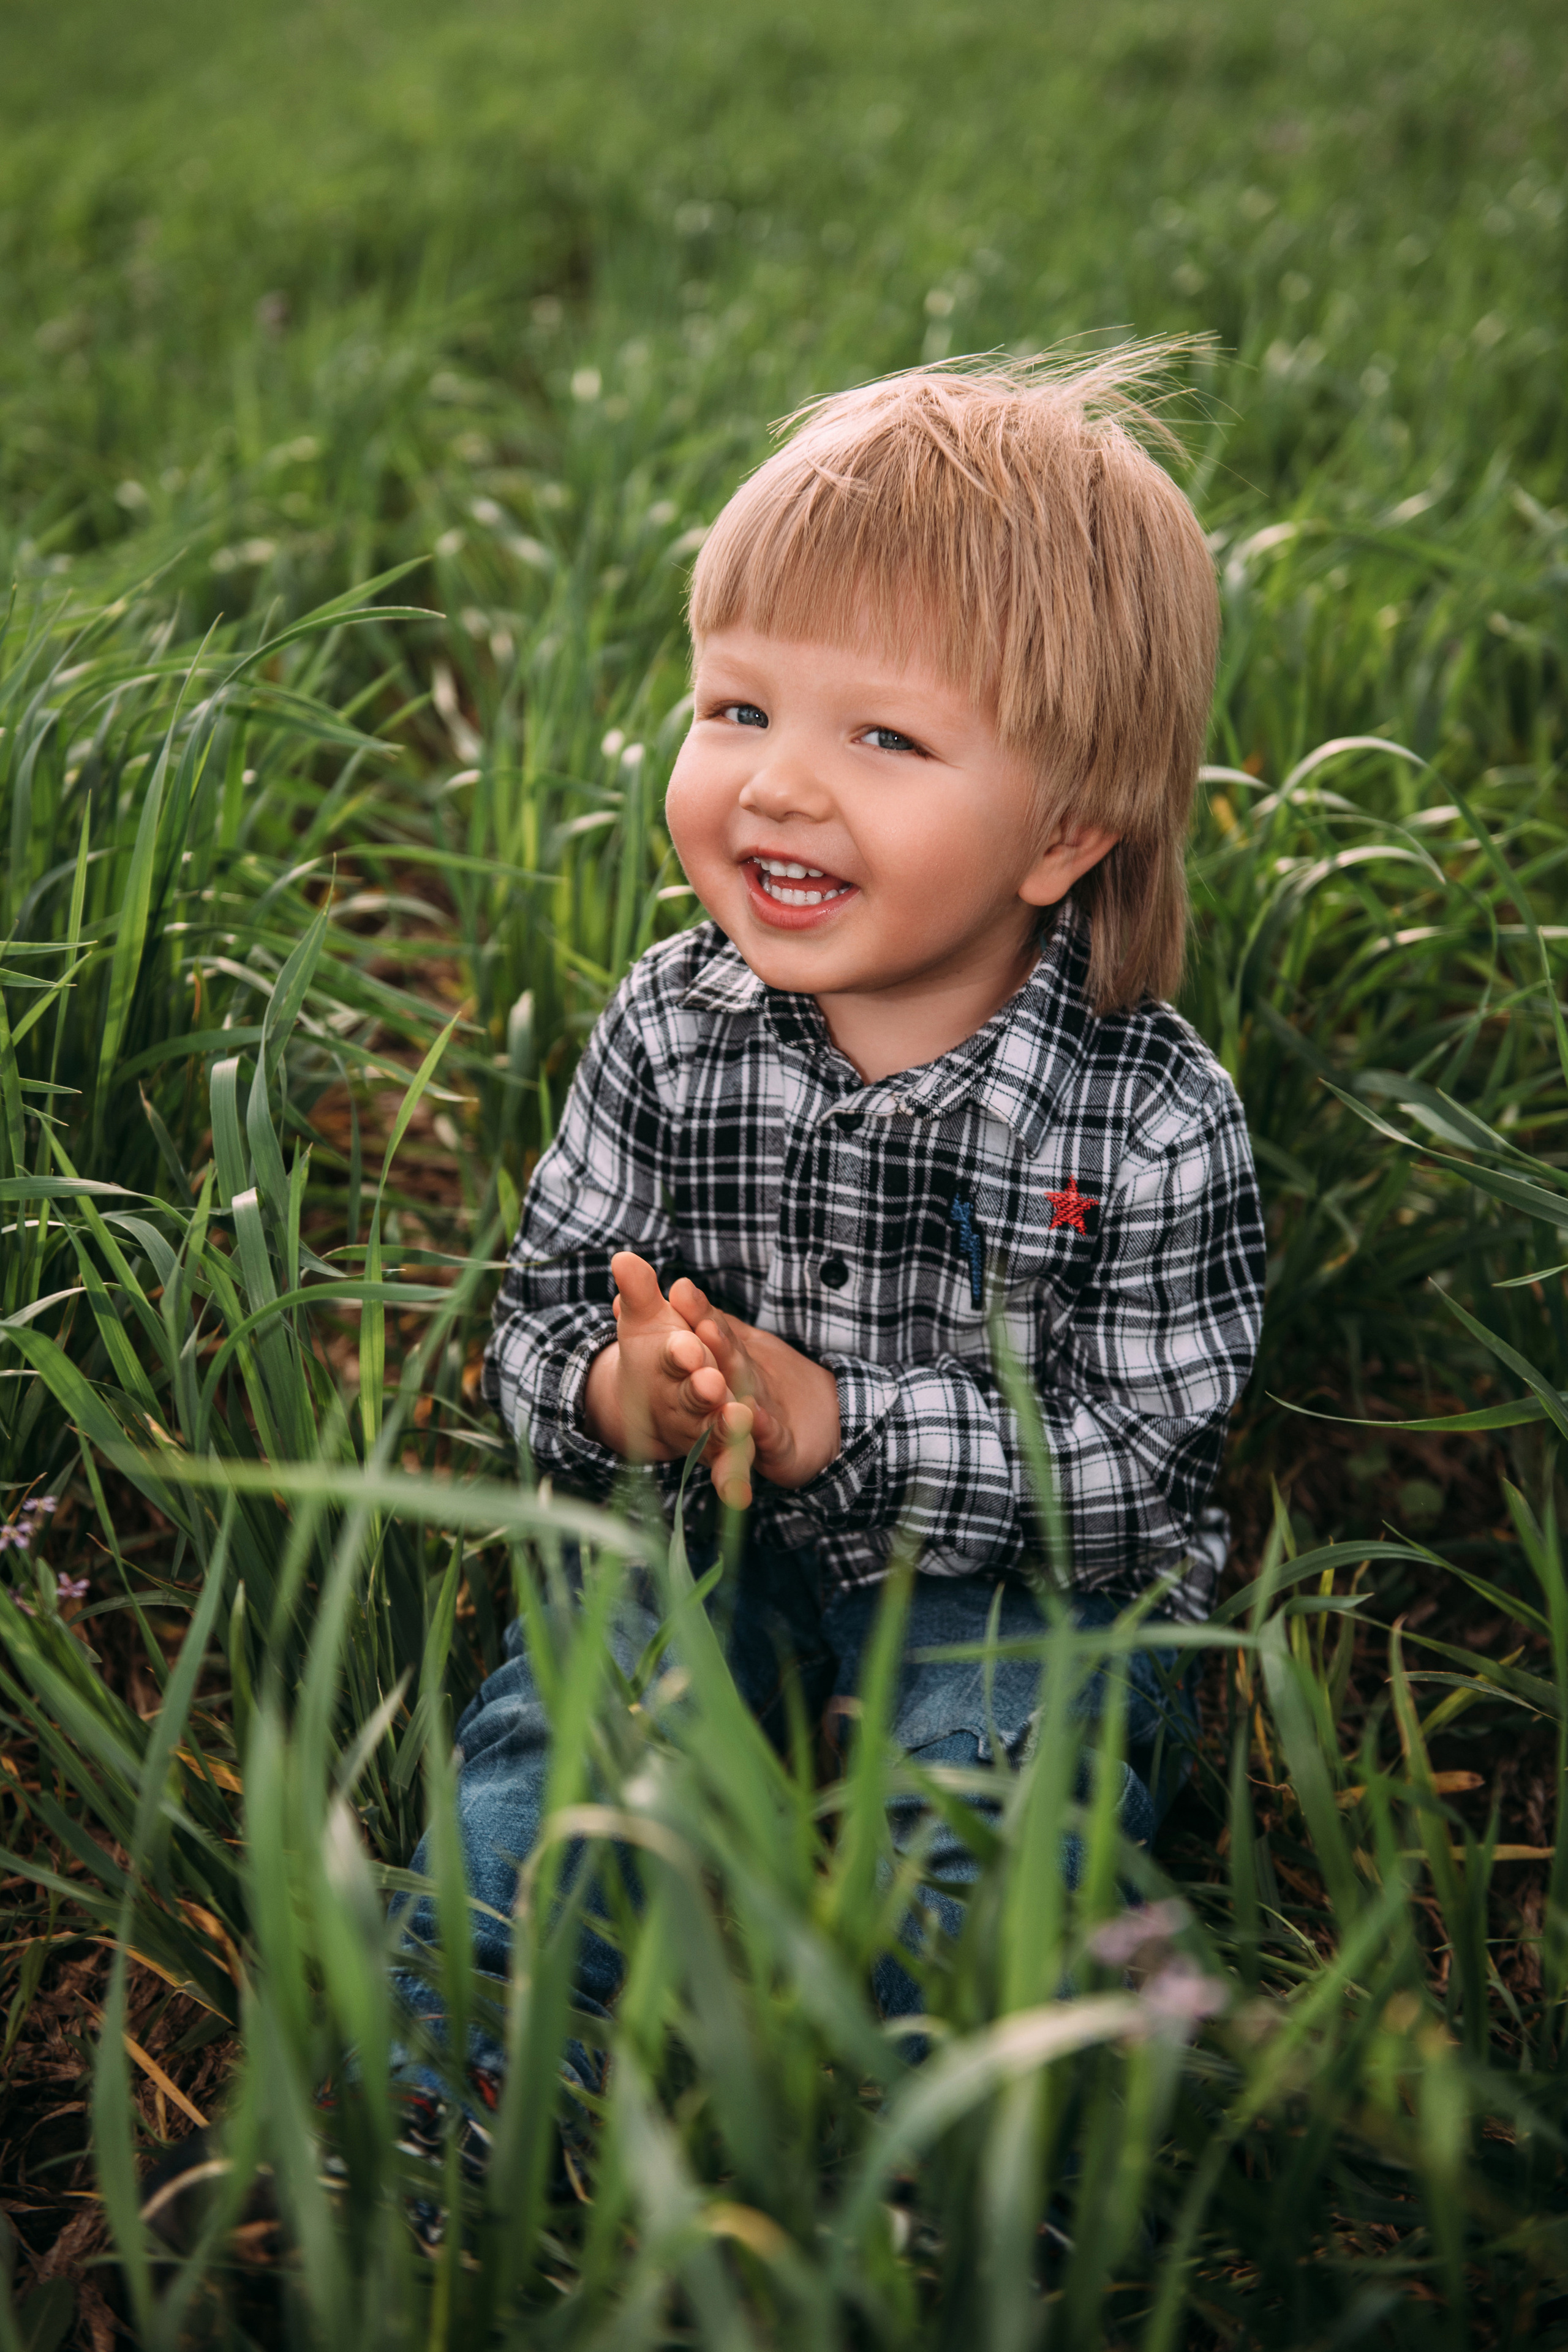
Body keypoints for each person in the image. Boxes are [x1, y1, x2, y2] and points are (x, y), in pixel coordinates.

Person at [397, 346, 1266, 2111]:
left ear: (1065, 831)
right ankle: (447, 2104)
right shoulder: (668, 1024)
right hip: (703, 1549)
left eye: (881, 736)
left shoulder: (1154, 1116)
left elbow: (1150, 1473)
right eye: (739, 711)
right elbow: (545, 1313)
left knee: (1004, 1814)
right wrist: (625, 1396)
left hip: (1030, 1596)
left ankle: (938, 2140)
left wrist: (842, 1426)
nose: (780, 786)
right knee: (563, 1754)